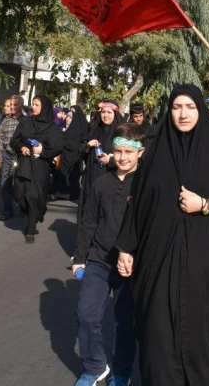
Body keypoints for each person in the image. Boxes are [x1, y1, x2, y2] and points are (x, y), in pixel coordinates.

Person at [114, 85, 209, 386]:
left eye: (190, 106)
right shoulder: (156, 150)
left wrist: (206, 205)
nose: (183, 113)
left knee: (196, 325)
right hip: (156, 259)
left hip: (201, 260)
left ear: (200, 110)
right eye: (176, 107)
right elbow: (138, 205)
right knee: (157, 328)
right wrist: (126, 247)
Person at [71, 123, 146, 386]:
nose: (123, 157)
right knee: (87, 315)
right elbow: (88, 222)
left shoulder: (146, 186)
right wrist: (79, 257)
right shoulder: (101, 183)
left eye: (129, 151)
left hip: (131, 266)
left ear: (140, 153)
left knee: (125, 322)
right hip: (99, 260)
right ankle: (94, 367)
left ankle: (122, 370)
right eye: (118, 151)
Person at [11, 95, 64, 244]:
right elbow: (14, 140)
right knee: (21, 194)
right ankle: (28, 213)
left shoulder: (52, 127)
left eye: (37, 105)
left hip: (41, 167)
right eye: (32, 104)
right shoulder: (26, 121)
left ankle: (30, 229)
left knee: (34, 196)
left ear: (45, 108)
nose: (33, 107)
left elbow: (58, 148)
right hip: (25, 164)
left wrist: (43, 152)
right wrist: (22, 147)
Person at [82, 100, 125, 208]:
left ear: (115, 114)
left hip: (111, 180)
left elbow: (128, 159)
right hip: (91, 179)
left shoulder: (121, 134)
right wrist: (87, 146)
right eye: (103, 112)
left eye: (109, 112)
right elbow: (83, 155)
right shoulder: (95, 130)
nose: (105, 115)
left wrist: (110, 161)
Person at [0, 95, 23, 220]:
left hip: (21, 156)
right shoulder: (6, 121)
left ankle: (23, 205)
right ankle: (7, 209)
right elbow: (0, 139)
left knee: (20, 183)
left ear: (21, 107)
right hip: (7, 155)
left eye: (14, 105)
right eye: (10, 104)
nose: (11, 107)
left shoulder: (26, 121)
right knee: (4, 182)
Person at [60, 104, 89, 202]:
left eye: (73, 112)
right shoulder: (67, 125)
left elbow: (82, 138)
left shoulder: (82, 124)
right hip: (66, 153)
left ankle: (72, 193)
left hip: (75, 154)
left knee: (73, 173)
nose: (69, 116)